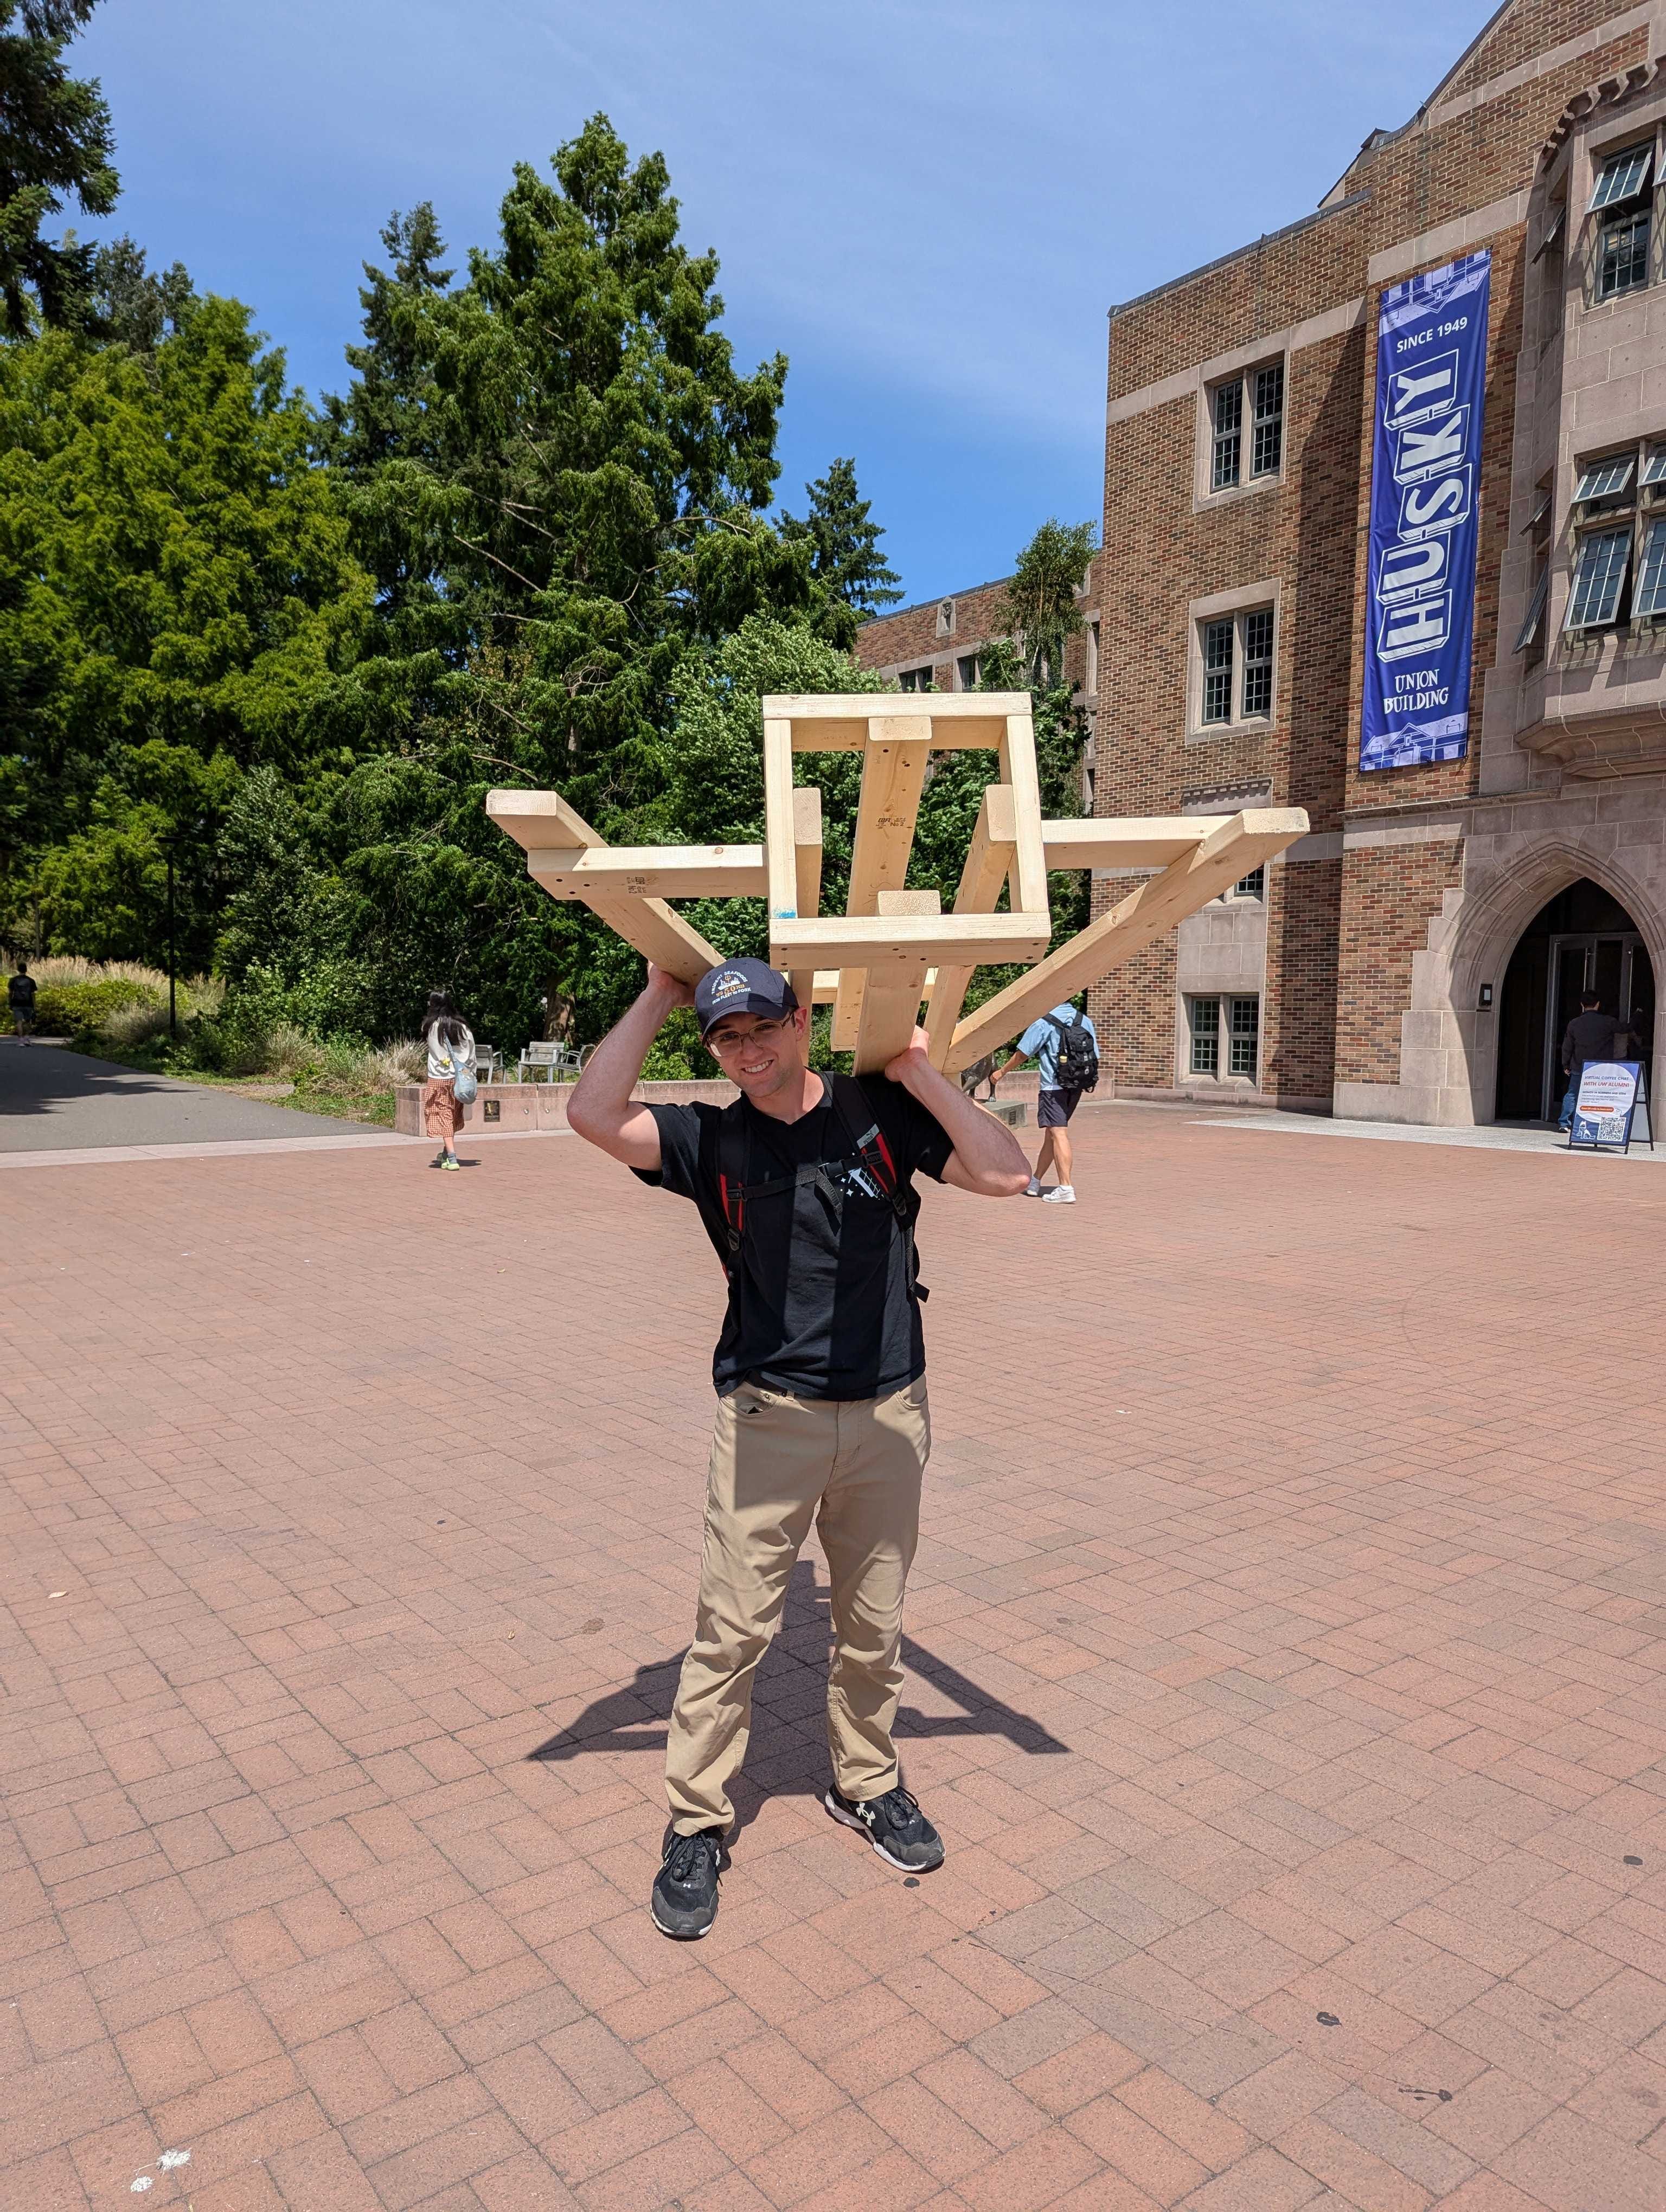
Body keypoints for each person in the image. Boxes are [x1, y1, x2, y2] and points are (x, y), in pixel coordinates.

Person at [567, 956, 1030, 1940]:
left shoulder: (878, 1113)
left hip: (888, 1415)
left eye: (763, 1028)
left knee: (873, 1623)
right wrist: (660, 992)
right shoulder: (710, 1140)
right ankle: (697, 1822)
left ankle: (866, 1784)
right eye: (727, 1037)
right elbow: (593, 1115)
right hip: (768, 1422)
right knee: (731, 1632)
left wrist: (918, 1070)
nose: (748, 1051)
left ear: (801, 1023)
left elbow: (1007, 1173)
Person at [993, 999, 1099, 1203]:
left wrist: (1001, 1072)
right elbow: (1095, 1056)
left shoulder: (1044, 1022)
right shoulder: (1084, 1020)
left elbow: (1022, 1055)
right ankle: (1035, 1181)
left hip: (1053, 1088)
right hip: (1076, 1086)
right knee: (1052, 1134)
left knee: (1058, 1134)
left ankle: (1066, 1188)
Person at [421, 988, 475, 1169]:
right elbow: (471, 1053)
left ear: (433, 1005)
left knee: (443, 1115)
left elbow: (435, 1052)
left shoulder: (431, 1027)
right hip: (460, 1077)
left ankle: (452, 1158)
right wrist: (470, 1072)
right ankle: (446, 1153)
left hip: (439, 1077)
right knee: (452, 1115)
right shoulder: (463, 1027)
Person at [1559, 988, 1621, 1131]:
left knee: (1572, 1094)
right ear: (1598, 1004)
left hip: (1579, 1065)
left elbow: (1567, 1047)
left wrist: (1566, 1065)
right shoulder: (1608, 1022)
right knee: (1601, 1096)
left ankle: (1564, 1123)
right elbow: (1625, 1028)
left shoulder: (1574, 1023)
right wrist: (1638, 1015)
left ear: (1582, 1005)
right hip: (1601, 1067)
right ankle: (1596, 1123)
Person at [7, 957, 36, 1046]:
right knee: (28, 1021)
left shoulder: (13, 980)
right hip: (28, 1004)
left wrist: (10, 1003)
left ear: (18, 970)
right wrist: (35, 1005)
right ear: (26, 970)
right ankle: (27, 1039)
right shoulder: (31, 981)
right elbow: (33, 995)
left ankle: (21, 1041)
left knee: (19, 1022)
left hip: (17, 1003)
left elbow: (10, 993)